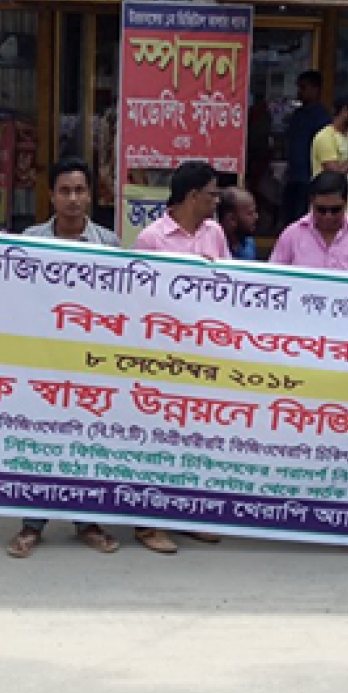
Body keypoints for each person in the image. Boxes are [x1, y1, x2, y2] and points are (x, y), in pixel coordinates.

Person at [6, 159, 123, 559]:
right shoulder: (30, 239)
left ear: (91, 195)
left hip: (90, 361)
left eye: (80, 190)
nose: (73, 199)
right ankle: (31, 524)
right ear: (51, 195)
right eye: (64, 191)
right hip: (42, 359)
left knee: (85, 443)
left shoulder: (109, 244)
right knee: (41, 440)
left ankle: (86, 522)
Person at [132, 160, 225, 554]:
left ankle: (185, 515)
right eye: (213, 193)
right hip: (162, 354)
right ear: (192, 196)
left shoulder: (215, 233)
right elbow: (141, 298)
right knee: (156, 438)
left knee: (193, 439)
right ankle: (148, 523)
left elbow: (228, 286)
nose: (217, 200)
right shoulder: (152, 239)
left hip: (202, 352)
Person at [270, 170, 348, 278]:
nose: (328, 216)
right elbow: (273, 276)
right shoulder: (291, 235)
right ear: (311, 202)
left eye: (335, 210)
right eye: (321, 209)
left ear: (346, 203)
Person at [282, 70, 330, 226]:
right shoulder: (298, 115)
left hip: (308, 178)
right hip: (293, 176)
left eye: (303, 88)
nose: (299, 93)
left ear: (315, 89)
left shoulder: (321, 117)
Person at [310, 96, 348, 214]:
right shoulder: (326, 137)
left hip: (342, 208)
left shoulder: (346, 136)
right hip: (327, 210)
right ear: (345, 110)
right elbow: (336, 174)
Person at [218, 187, 258, 261]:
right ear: (231, 219)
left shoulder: (249, 243)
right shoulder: (212, 245)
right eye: (250, 213)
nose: (256, 217)